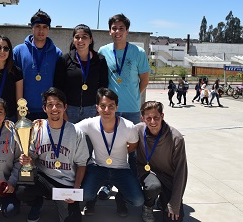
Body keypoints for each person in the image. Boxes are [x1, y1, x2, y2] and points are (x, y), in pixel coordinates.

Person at [16, 87, 89, 222]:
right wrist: (27, 159)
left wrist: (75, 189)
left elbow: (81, 164)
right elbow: (32, 157)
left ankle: (60, 202)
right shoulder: (37, 128)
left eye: (58, 105)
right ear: (44, 108)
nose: (54, 108)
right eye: (50, 105)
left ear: (65, 107)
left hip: (66, 183)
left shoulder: (76, 132)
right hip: (44, 179)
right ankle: (37, 203)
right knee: (21, 190)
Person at [97, 13, 150, 198]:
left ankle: (129, 187)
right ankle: (107, 184)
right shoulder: (103, 51)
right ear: (109, 31)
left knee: (132, 152)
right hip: (110, 111)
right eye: (114, 28)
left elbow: (144, 79)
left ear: (127, 31)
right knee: (109, 148)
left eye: (121, 28)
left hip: (132, 110)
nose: (117, 31)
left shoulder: (138, 53)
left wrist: (135, 94)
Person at [76, 88, 144, 217]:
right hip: (98, 167)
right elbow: (69, 129)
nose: (107, 110)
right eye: (103, 106)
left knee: (138, 200)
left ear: (117, 107)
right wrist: (43, 123)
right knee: (85, 195)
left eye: (111, 106)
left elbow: (134, 144)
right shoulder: (90, 124)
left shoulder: (128, 126)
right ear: (97, 107)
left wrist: (120, 151)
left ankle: (120, 199)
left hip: (121, 169)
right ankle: (91, 200)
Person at [136, 101, 188, 222]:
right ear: (142, 118)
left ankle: (163, 200)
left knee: (175, 218)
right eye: (148, 118)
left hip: (168, 178)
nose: (153, 122)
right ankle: (148, 205)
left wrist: (175, 202)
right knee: (153, 187)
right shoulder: (137, 130)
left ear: (162, 116)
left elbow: (181, 173)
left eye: (156, 117)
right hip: (148, 173)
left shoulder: (176, 138)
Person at [13, 9, 62, 121]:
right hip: (25, 109)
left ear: (49, 29)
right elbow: (13, 81)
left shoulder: (57, 53)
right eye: (38, 26)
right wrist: (19, 107)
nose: (41, 30)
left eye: (45, 27)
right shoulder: (18, 51)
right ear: (32, 27)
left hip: (48, 110)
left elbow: (59, 83)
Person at [54, 24, 108, 123]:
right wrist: (62, 111)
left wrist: (100, 110)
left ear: (90, 40)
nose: (80, 40)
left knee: (89, 139)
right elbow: (58, 87)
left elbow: (104, 86)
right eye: (77, 37)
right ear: (73, 40)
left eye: (84, 37)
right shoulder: (64, 60)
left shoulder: (100, 60)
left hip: (92, 109)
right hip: (69, 109)